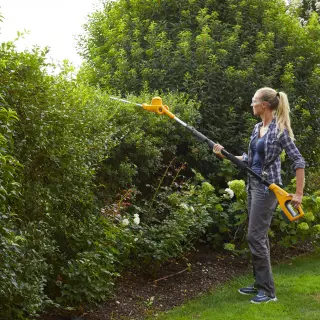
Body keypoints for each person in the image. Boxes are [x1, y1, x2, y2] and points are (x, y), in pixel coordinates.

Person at [213, 87, 305, 304]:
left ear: (264, 104)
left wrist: (298, 194)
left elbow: (299, 161)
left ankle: (268, 291)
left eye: (253, 101)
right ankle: (259, 284)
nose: (251, 104)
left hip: (268, 189)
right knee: (258, 236)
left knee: (255, 236)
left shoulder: (279, 130)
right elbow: (249, 159)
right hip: (252, 186)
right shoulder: (256, 129)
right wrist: (224, 154)